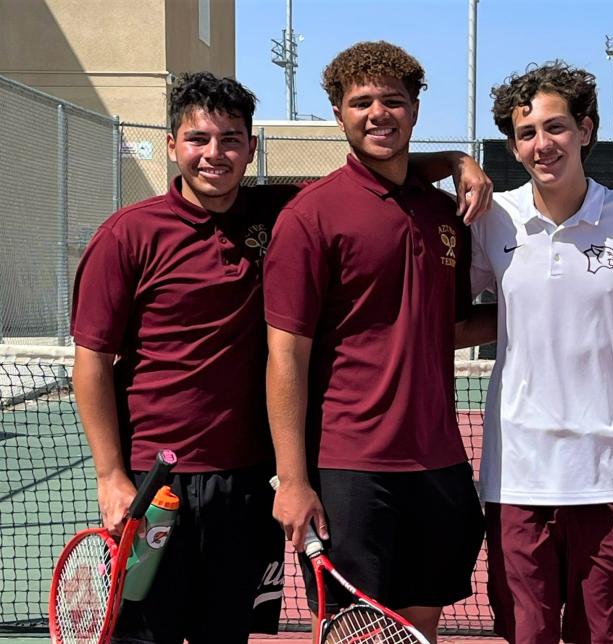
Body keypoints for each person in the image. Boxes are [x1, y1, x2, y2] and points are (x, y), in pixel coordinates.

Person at [71, 71, 490, 644]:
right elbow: (92, 361)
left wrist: (455, 161)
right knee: (144, 635)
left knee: (227, 634)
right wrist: (111, 476)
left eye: (230, 140)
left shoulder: (282, 212)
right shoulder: (127, 236)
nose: (214, 155)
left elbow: (377, 167)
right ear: (173, 146)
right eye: (198, 140)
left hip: (248, 485)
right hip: (155, 484)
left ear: (250, 147)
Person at [264, 41, 485, 643]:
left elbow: (454, 327)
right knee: (354, 632)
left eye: (393, 101)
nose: (378, 114)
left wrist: (559, 308)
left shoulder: (444, 213)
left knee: (419, 629)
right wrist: (293, 480)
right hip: (350, 469)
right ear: (339, 114)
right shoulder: (310, 215)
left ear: (415, 110)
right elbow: (286, 354)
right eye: (361, 102)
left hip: (439, 462)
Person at [467, 61, 613, 644]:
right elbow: (452, 317)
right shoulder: (493, 219)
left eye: (556, 127)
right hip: (517, 476)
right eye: (527, 133)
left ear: (586, 129)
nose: (543, 144)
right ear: (513, 146)